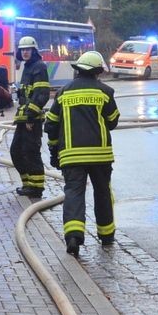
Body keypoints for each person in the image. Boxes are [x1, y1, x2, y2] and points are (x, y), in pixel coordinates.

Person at [44, 51, 120, 257]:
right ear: (98, 72)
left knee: (74, 193)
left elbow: (50, 124)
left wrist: (53, 151)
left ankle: (73, 237)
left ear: (77, 70)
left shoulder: (63, 93)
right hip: (100, 156)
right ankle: (106, 235)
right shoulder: (105, 92)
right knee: (102, 192)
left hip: (71, 156)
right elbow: (113, 121)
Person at [12, 36, 50, 198]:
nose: (25, 52)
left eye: (28, 49)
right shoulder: (28, 67)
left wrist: (30, 117)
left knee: (31, 151)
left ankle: (37, 187)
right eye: (22, 49)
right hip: (24, 118)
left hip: (31, 119)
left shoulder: (39, 67)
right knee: (16, 151)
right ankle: (28, 183)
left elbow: (41, 94)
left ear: (34, 50)